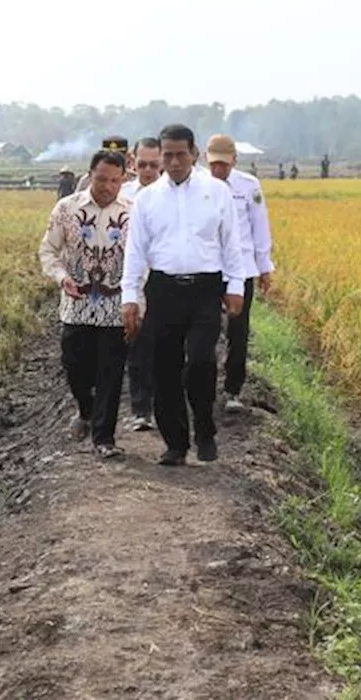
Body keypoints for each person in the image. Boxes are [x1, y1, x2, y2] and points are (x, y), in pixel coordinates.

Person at [122, 124, 246, 466]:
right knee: (163, 370)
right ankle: (175, 443)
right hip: (163, 290)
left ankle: (204, 429)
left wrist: (235, 286)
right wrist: (129, 297)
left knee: (201, 363)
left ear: (194, 154)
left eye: (180, 154)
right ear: (160, 157)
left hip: (206, 289)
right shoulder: (147, 199)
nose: (174, 162)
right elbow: (135, 251)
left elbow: (231, 243)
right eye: (168, 155)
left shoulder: (216, 192)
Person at [38, 149, 133, 459]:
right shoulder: (66, 209)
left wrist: (137, 300)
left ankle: (104, 437)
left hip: (115, 308)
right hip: (76, 306)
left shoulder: (134, 213)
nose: (107, 186)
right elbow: (48, 251)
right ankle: (86, 409)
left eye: (114, 180)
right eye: (101, 179)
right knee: (75, 366)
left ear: (123, 180)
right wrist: (62, 276)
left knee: (111, 372)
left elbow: (142, 260)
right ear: (90, 175)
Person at [205, 135, 274, 412]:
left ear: (234, 160)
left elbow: (260, 226)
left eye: (224, 164)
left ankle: (233, 390)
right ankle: (202, 388)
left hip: (241, 268)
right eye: (213, 164)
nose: (218, 170)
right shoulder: (198, 185)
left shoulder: (249, 186)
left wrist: (264, 267)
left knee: (238, 331)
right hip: (208, 268)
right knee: (204, 330)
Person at [119, 137, 163, 431]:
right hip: (132, 277)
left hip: (163, 279)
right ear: (133, 162)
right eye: (142, 164)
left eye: (153, 165)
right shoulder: (121, 194)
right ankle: (140, 409)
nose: (147, 170)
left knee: (164, 347)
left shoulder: (172, 194)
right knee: (136, 343)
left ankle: (165, 404)